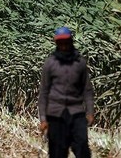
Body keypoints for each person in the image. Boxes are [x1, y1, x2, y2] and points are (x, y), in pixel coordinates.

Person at [38, 27, 94, 158]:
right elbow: (44, 92)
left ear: (71, 41)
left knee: (82, 149)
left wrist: (90, 112)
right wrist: (43, 119)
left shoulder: (80, 63)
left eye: (66, 42)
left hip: (76, 112)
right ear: (56, 43)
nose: (63, 46)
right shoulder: (50, 63)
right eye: (60, 43)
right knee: (58, 152)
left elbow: (87, 90)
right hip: (56, 114)